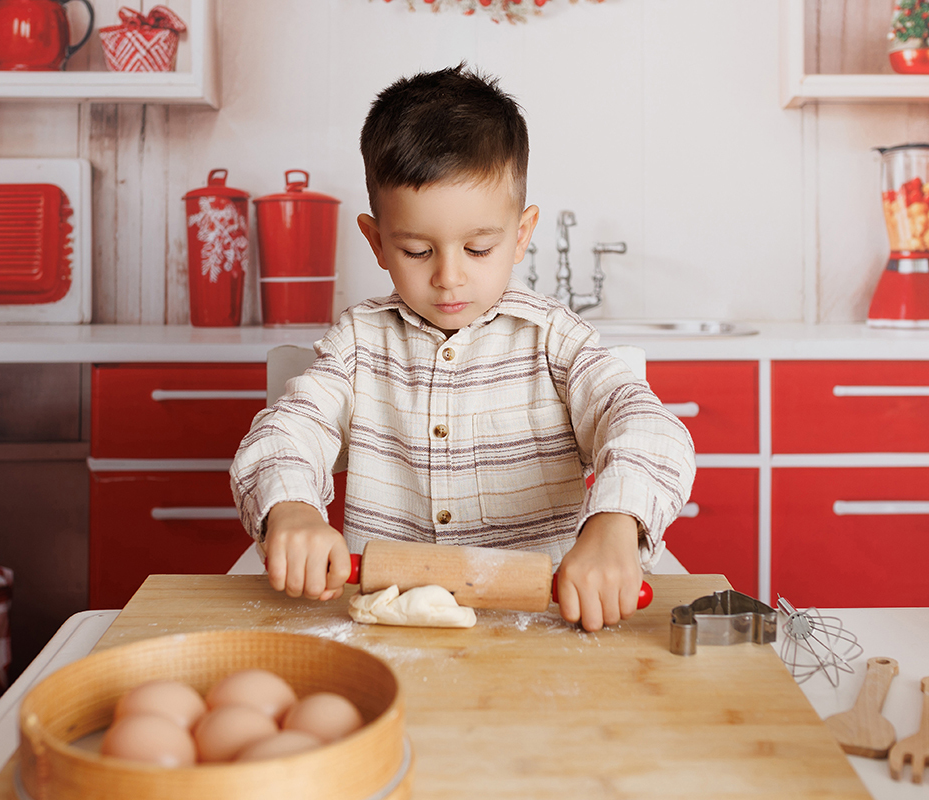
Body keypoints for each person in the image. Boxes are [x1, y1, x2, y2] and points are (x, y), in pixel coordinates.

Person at [231, 64, 695, 632]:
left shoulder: (555, 340)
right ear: (377, 242)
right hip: (386, 624)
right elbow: (286, 432)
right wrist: (293, 508)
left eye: (478, 249)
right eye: (417, 251)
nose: (449, 278)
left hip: (545, 623)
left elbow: (650, 429)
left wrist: (616, 523)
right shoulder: (357, 343)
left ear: (521, 234)